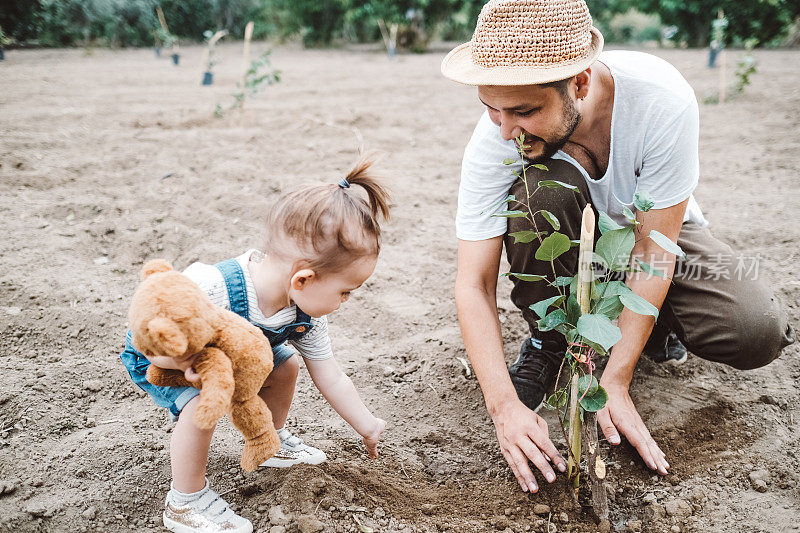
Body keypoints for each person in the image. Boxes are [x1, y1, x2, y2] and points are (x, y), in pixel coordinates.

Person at [441, 0, 794, 494]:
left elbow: (655, 249)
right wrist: (503, 406)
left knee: (756, 329)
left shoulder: (660, 99)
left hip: (650, 234)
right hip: (570, 249)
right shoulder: (496, 139)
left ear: (579, 83)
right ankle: (551, 338)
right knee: (537, 192)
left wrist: (616, 380)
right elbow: (473, 283)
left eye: (523, 111)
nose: (505, 131)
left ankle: (653, 328)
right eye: (491, 108)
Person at [120, 154, 389, 533]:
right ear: (303, 280)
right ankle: (186, 501)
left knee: (286, 365)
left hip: (232, 357)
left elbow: (331, 375)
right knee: (200, 405)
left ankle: (268, 440)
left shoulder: (306, 315)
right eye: (345, 291)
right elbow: (150, 329)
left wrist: (366, 424)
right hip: (163, 357)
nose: (345, 301)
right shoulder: (212, 286)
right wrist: (182, 366)